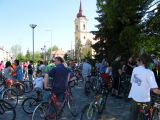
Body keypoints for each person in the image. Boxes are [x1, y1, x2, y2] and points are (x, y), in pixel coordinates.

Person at [128, 53, 160, 120]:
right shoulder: (149, 72)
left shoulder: (135, 69)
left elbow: (132, 82)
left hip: (134, 98)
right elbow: (155, 90)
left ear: (141, 61)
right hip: (144, 100)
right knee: (143, 117)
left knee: (132, 116)